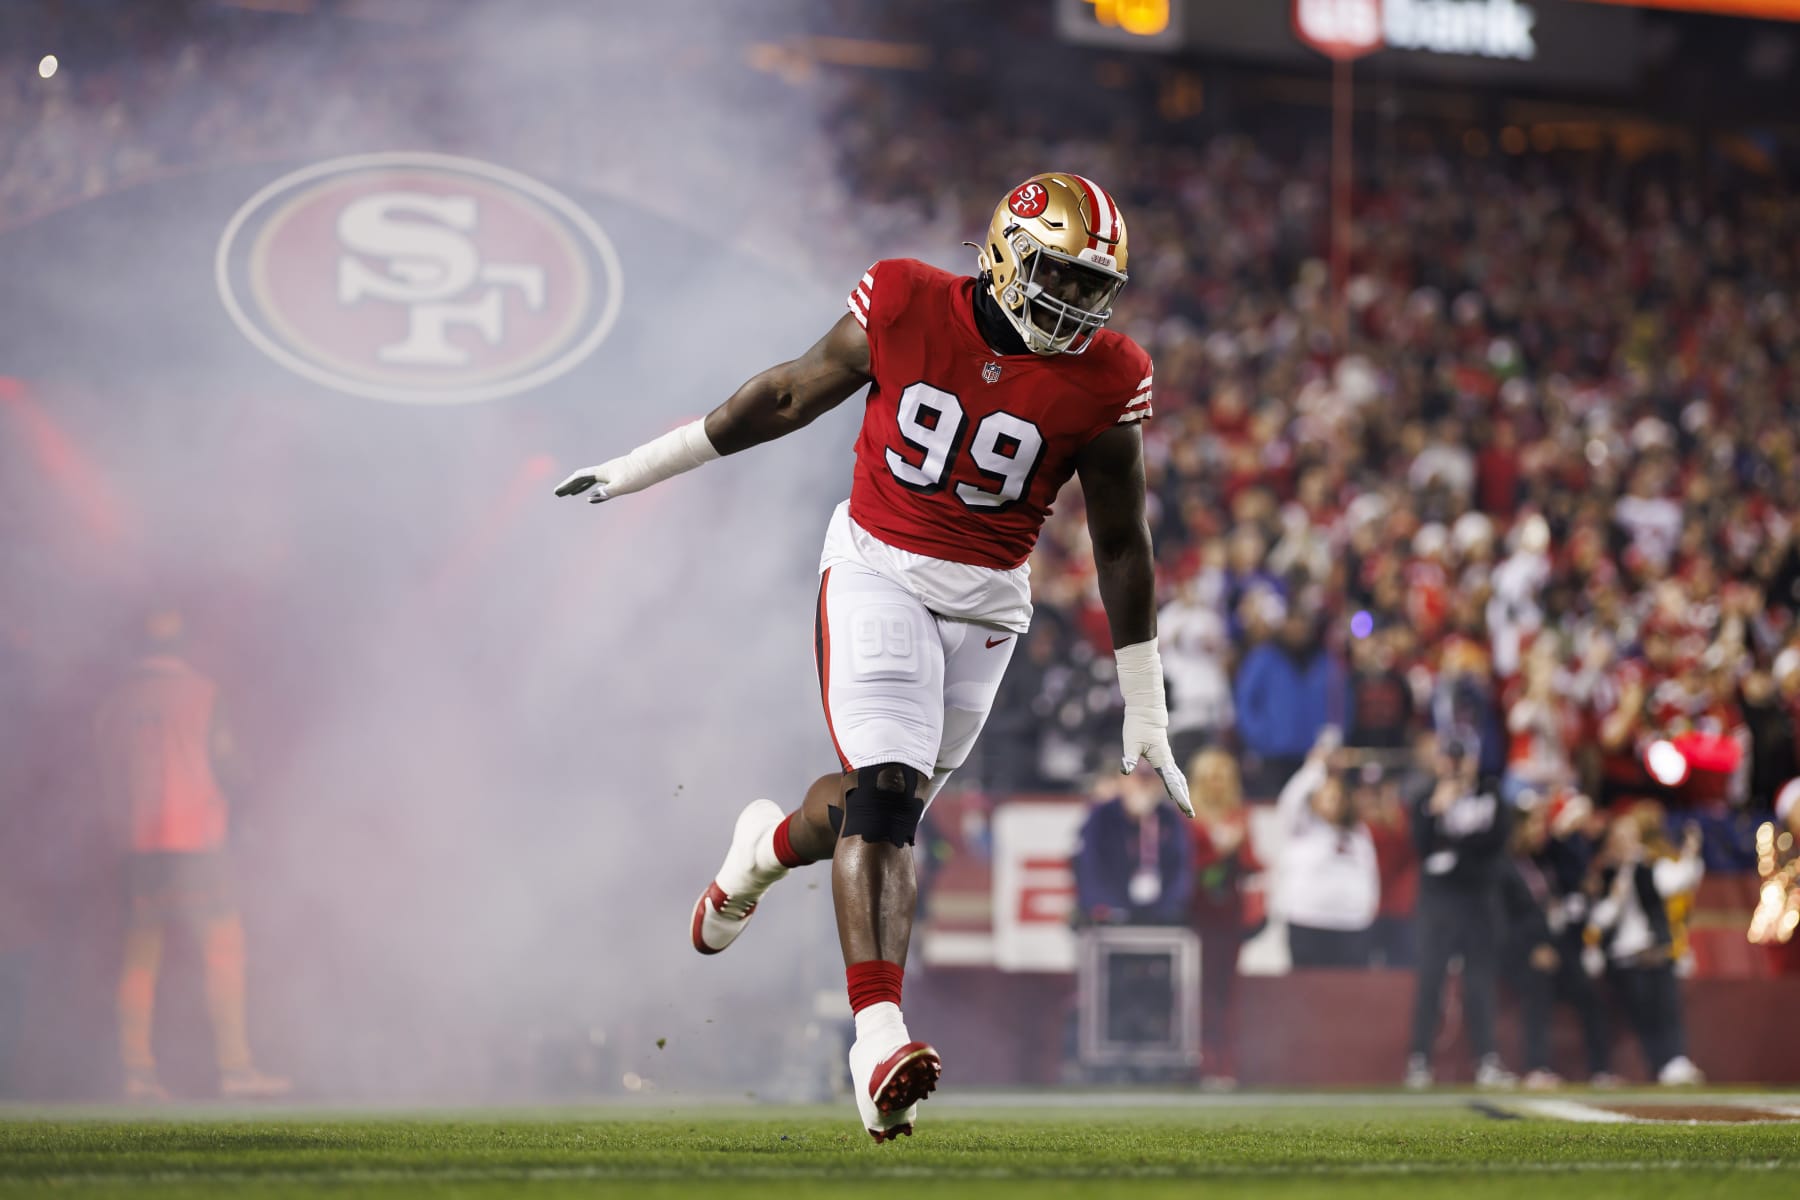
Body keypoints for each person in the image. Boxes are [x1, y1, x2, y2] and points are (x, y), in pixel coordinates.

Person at [554, 174, 1191, 1142]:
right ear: (1009, 255)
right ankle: (877, 1041)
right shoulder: (904, 299)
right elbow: (783, 396)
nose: (1081, 303)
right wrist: (644, 466)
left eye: (1097, 285)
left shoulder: (1110, 376)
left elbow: (1120, 543)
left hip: (988, 606)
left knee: (869, 812)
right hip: (878, 568)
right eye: (1063, 274)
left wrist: (1143, 700)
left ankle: (760, 853)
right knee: (888, 798)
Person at [92, 609, 289, 1102]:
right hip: (198, 839)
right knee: (223, 949)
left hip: (140, 843)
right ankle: (235, 1069)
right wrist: (251, 802)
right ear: (184, 644)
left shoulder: (115, 704)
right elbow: (224, 761)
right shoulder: (204, 694)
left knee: (141, 956)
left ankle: (137, 1074)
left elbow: (105, 775)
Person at [1405, 738, 1514, 1089]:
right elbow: (1421, 847)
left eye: (1460, 757)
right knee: (1430, 981)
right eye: (1448, 757)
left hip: (1479, 899)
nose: (1454, 765)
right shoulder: (1426, 799)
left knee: (1479, 983)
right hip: (1439, 902)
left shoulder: (1491, 795)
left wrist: (1455, 849)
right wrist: (1436, 811)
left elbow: (1496, 842)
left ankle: (1486, 1059)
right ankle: (1419, 1059)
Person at [1583, 811, 1705, 1085]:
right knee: (1644, 1012)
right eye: (1620, 838)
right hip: (1624, 957)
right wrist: (1616, 891)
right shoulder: (1606, 874)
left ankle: (1675, 1061)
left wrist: (1690, 852)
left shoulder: (1650, 867)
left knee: (1667, 1006)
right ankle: (1659, 1063)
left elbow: (1680, 879)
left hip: (1655, 950)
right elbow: (1599, 920)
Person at [1184, 748, 1262, 1088]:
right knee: (1197, 992)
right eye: (1209, 777)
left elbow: (1252, 863)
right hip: (1195, 915)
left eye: (1222, 777)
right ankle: (1202, 1063)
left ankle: (1226, 1064)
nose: (1216, 785)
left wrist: (1239, 851)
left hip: (1228, 915)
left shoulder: (1240, 815)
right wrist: (1220, 850)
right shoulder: (1187, 816)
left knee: (1226, 993)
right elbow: (1185, 868)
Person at [1272, 731, 1378, 968]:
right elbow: (1291, 799)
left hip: (1351, 925)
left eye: (1338, 797)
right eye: (1327, 797)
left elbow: (1371, 875)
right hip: (1308, 921)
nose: (1334, 802)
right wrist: (1315, 766)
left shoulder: (1358, 833)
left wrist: (1367, 910)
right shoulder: (1301, 826)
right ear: (1314, 799)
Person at [1073, 767, 1193, 927]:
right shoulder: (1102, 815)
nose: (1144, 786)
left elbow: (1181, 867)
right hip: (1110, 916)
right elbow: (1089, 867)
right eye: (1138, 778)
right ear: (1122, 781)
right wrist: (1107, 906)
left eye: (1150, 779)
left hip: (1158, 919)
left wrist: (1169, 907)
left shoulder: (1170, 818)